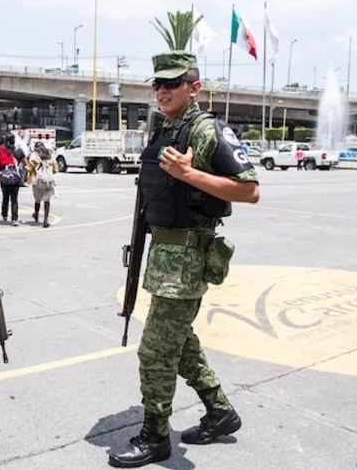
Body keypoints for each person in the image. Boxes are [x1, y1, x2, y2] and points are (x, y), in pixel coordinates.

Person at [108, 51, 260, 468]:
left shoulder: (208, 130)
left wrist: (190, 175)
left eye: (172, 84)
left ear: (194, 88)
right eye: (157, 84)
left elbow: (250, 189)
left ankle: (155, 436)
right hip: (163, 257)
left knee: (155, 352)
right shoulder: (165, 131)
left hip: (189, 259)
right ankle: (220, 411)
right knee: (179, 342)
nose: (162, 90)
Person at [25, 141, 58, 227]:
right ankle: (45, 220)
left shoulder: (34, 155)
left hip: (37, 180)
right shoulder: (50, 154)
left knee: (38, 199)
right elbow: (55, 167)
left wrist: (27, 175)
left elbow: (29, 167)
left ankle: (36, 214)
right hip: (48, 181)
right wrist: (52, 171)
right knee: (47, 200)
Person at [0, 133, 23, 226]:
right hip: (15, 177)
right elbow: (26, 163)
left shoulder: (0, 149)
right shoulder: (18, 151)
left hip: (4, 177)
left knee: (5, 196)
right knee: (14, 198)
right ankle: (14, 218)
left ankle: (4, 214)